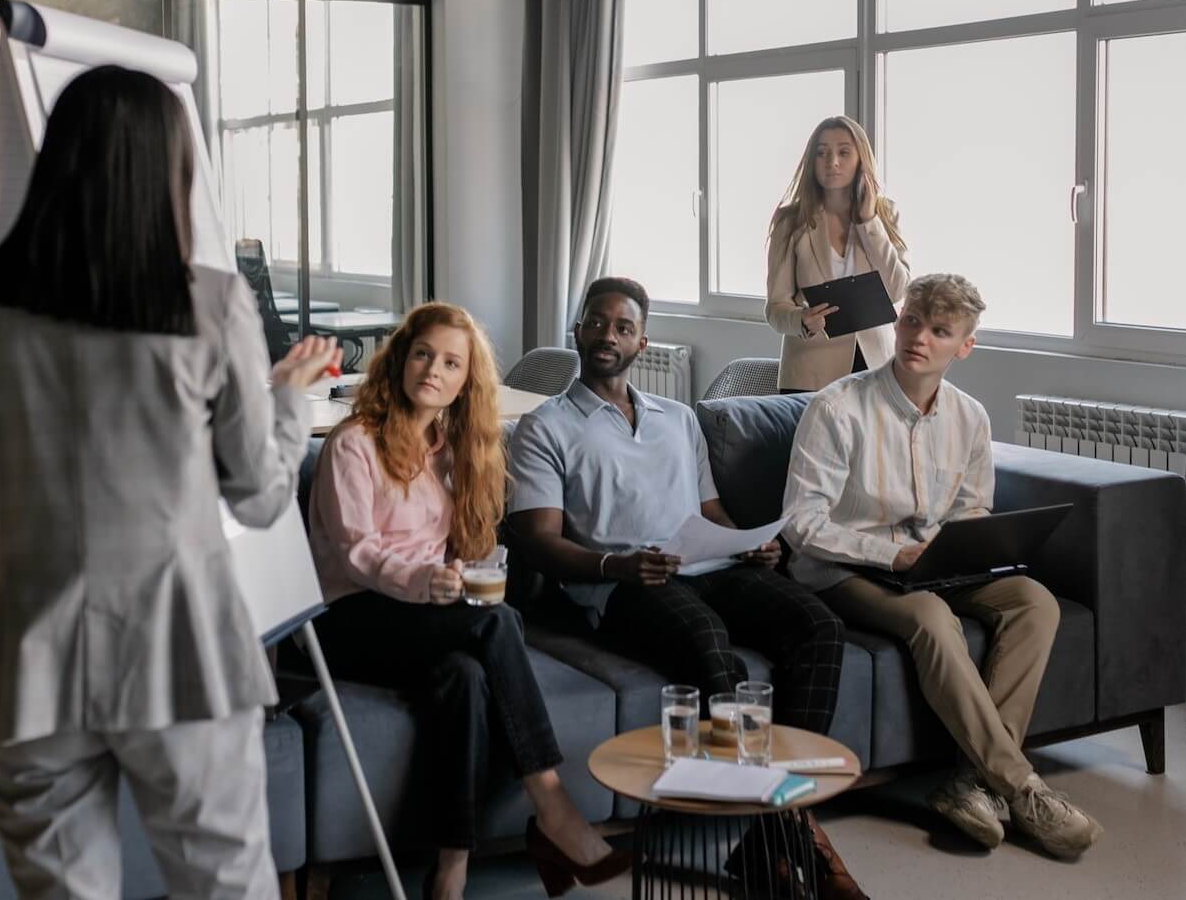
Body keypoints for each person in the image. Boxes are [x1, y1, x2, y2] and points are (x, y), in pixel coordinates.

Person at [0, 66, 341, 899]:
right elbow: (257, 496)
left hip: (23, 670)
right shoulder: (210, 303)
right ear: (172, 170)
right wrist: (289, 400)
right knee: (225, 887)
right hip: (183, 654)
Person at [507, 276, 868, 900]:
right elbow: (536, 539)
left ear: (642, 342)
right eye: (596, 323)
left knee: (818, 624)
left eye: (622, 327)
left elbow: (712, 513)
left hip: (707, 567)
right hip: (619, 585)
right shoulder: (545, 426)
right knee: (708, 638)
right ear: (577, 330)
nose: (607, 336)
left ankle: (767, 840)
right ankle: (793, 836)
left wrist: (751, 542)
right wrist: (612, 568)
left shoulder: (678, 419)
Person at [307, 302, 629, 900]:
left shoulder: (456, 452)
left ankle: (450, 867)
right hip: (348, 616)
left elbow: (466, 547)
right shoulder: (354, 443)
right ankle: (554, 808)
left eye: (451, 363)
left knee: (465, 677)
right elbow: (355, 552)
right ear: (401, 359)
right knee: (496, 625)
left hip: (421, 616)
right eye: (424, 353)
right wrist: (427, 582)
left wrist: (459, 573)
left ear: (464, 382)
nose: (433, 369)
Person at [782, 273, 1103, 860]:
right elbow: (802, 524)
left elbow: (973, 506)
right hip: (847, 569)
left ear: (965, 346)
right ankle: (1021, 785)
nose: (919, 339)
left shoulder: (971, 417)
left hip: (935, 563)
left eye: (939, 331)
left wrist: (967, 546)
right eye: (911, 322)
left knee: (1036, 601)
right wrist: (893, 553)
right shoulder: (836, 408)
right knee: (930, 615)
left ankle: (967, 783)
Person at [766, 116, 910, 393]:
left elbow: (896, 290)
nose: (832, 161)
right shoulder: (790, 220)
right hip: (809, 373)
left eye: (844, 152)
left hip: (875, 370)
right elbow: (775, 308)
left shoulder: (885, 214)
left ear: (861, 159)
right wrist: (802, 320)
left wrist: (868, 222)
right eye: (822, 153)